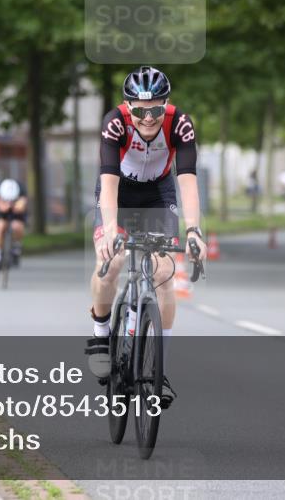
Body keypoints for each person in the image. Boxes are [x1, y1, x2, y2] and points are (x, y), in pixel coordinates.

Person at [85, 65, 207, 407]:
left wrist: (194, 230)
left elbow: (187, 181)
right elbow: (108, 183)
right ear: (128, 107)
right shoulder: (114, 123)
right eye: (139, 110)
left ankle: (159, 369)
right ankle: (100, 334)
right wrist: (110, 230)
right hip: (119, 192)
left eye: (155, 109)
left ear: (165, 104)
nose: (148, 118)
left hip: (158, 193)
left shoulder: (180, 125)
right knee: (111, 261)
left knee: (164, 271)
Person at [0, 178, 27, 270]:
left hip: (16, 215)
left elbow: (21, 207)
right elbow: (1, 208)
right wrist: (8, 206)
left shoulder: (21, 190)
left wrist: (13, 206)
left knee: (17, 226)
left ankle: (16, 248)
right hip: (2, 215)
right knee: (0, 226)